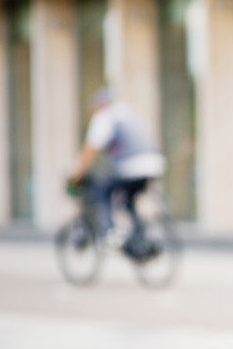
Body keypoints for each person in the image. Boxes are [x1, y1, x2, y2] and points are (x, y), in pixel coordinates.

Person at [68, 88, 165, 243]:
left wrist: (78, 172)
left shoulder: (105, 116)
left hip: (131, 166)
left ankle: (110, 231)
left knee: (101, 192)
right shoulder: (127, 113)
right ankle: (139, 236)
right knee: (127, 199)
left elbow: (91, 149)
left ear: (99, 105)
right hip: (153, 165)